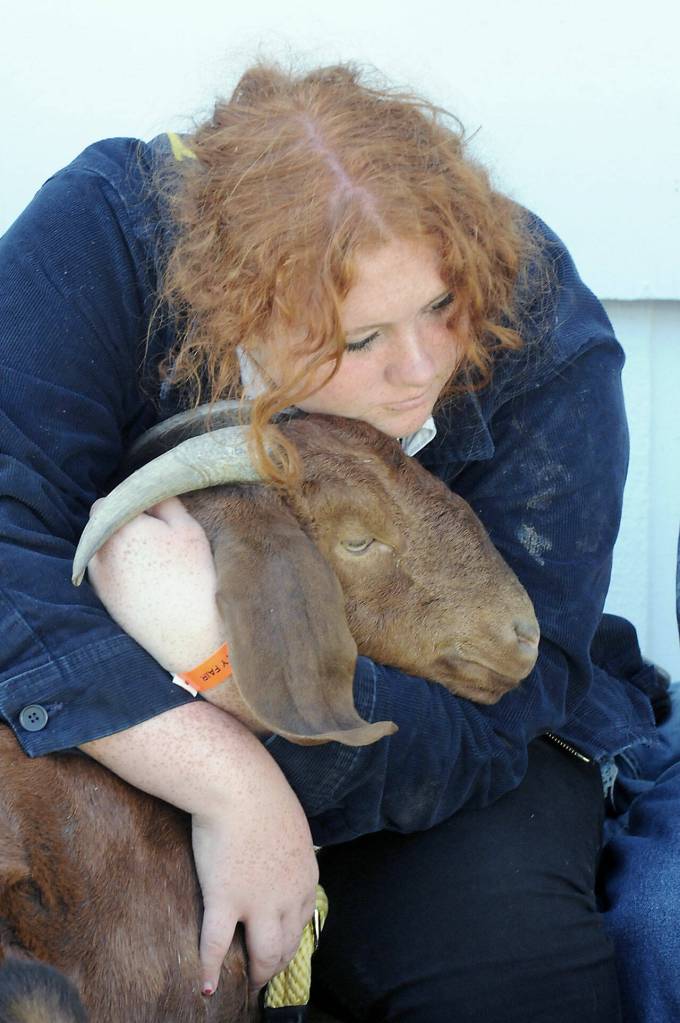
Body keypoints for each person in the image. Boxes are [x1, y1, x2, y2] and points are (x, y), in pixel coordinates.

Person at [0, 62, 668, 1022]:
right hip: (115, 709)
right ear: (239, 312)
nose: (421, 368)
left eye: (442, 307)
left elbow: (508, 705)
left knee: (507, 976)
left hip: (430, 752)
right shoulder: (105, 239)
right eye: (357, 341)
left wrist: (231, 677)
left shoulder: (538, 323)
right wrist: (226, 778)